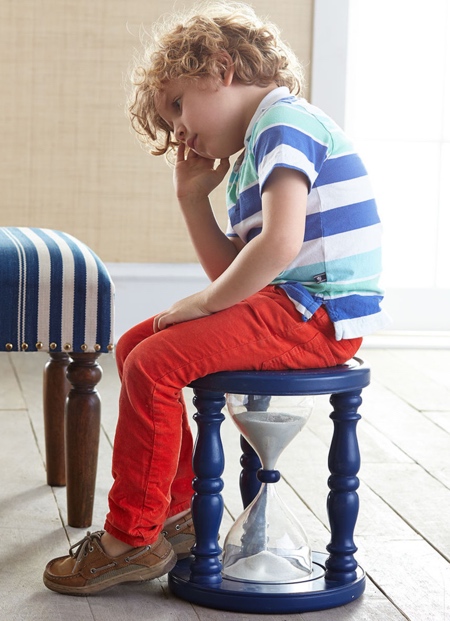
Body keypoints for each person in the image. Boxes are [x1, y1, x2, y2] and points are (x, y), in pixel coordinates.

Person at [43, 0, 390, 595]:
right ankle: (173, 515)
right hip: (288, 306)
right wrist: (191, 199)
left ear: (221, 68)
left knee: (154, 359)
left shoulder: (285, 122)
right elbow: (237, 271)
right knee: (136, 344)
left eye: (178, 104)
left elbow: (278, 247)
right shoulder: (257, 152)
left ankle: (130, 534)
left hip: (316, 314)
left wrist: (202, 305)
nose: (178, 128)